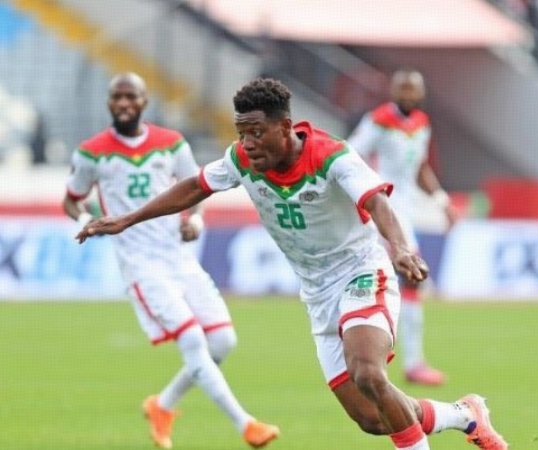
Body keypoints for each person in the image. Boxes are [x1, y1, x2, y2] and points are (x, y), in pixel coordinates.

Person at [77, 78, 508, 450]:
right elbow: (194, 186)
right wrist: (128, 219)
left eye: (256, 132)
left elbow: (376, 200)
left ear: (284, 127)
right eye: (241, 133)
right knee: (373, 418)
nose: (247, 143)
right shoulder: (241, 160)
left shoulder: (331, 156)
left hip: (361, 272)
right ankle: (465, 415)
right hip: (317, 293)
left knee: (368, 373)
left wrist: (399, 248)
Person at [62, 72, 278, 449]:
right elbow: (71, 199)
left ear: (144, 102)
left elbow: (197, 188)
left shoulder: (171, 143)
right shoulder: (91, 152)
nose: (124, 103)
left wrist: (195, 220)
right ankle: (246, 424)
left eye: (131, 97)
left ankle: (162, 406)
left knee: (222, 341)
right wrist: (84, 220)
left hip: (179, 258)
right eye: (117, 97)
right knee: (193, 338)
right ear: (109, 103)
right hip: (140, 265)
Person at [347, 69, 458, 386]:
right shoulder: (379, 121)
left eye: (413, 90)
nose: (408, 95)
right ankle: (408, 362)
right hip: (382, 208)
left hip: (406, 210)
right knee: (409, 276)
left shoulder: (421, 123)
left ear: (421, 94)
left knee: (394, 280)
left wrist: (442, 201)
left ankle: (392, 358)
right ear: (393, 92)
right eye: (403, 90)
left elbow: (420, 167)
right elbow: (350, 155)